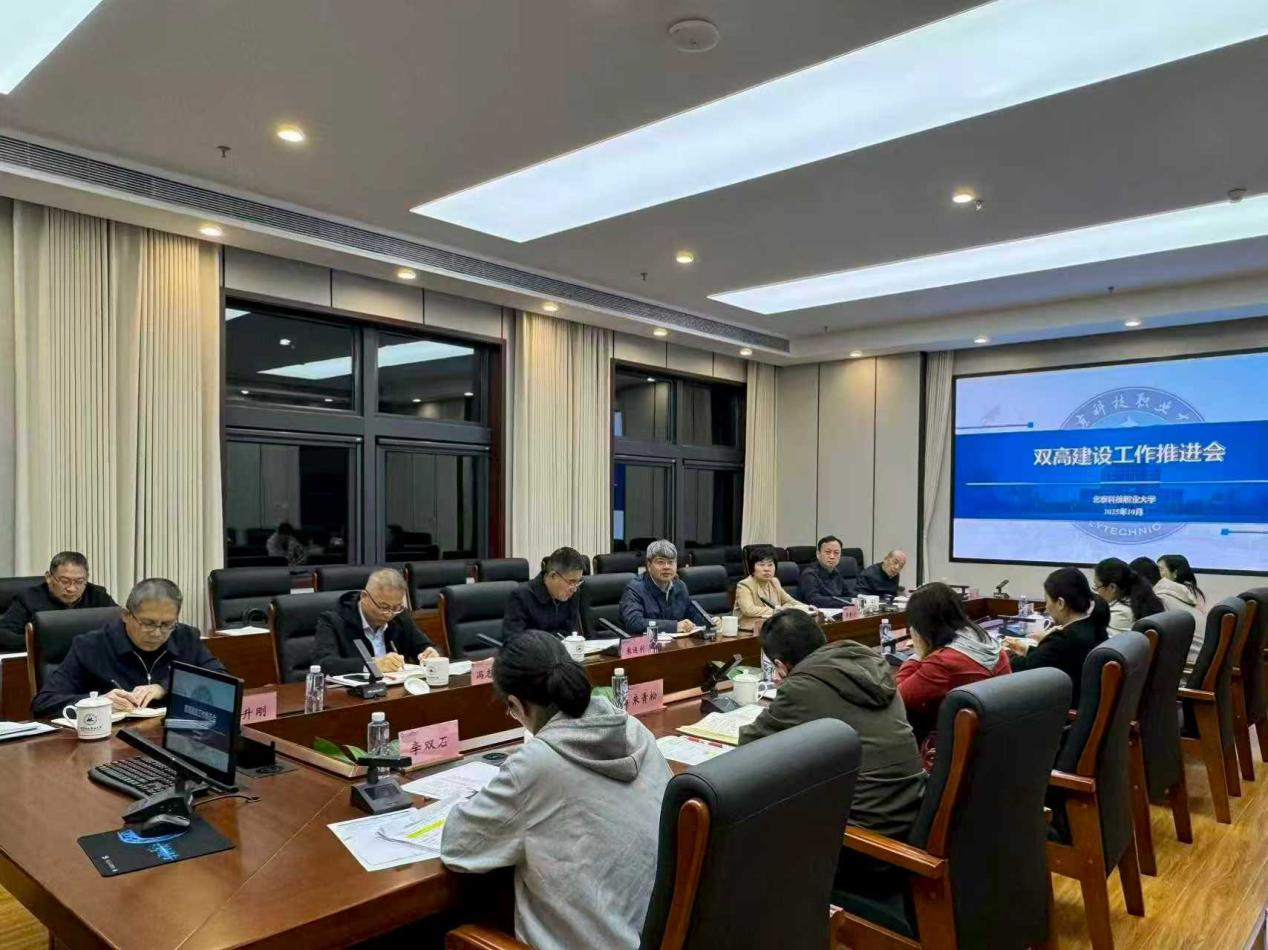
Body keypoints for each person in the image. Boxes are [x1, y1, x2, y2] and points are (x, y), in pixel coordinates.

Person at [442, 631, 671, 950]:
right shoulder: (633, 728)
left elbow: (458, 847)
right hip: (655, 935)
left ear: (515, 704)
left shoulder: (536, 764)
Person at [739, 609, 925, 842]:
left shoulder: (802, 687)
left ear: (780, 665)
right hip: (912, 804)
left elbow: (748, 746)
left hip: (865, 829)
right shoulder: (867, 662)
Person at [31, 578, 225, 717]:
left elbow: (223, 683)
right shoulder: (91, 646)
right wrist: (100, 703)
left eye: (167, 624)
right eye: (148, 623)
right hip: (111, 744)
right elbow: (43, 703)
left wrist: (166, 687)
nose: (157, 633)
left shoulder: (186, 637)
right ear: (126, 615)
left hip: (171, 738)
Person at [896, 582, 1011, 770]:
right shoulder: (989, 643)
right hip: (995, 751)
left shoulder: (944, 663)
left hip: (955, 759)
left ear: (924, 625)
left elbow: (898, 697)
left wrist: (917, 655)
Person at [1004, 567, 1108, 705]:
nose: (1046, 607)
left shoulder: (1064, 639)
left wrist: (1002, 655)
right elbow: (1049, 658)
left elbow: (1022, 669)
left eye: (1047, 601)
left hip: (1061, 709)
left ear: (1060, 603)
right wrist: (1026, 649)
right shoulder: (1094, 626)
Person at [313, 568, 438, 675]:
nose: (389, 614)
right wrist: (373, 665)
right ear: (364, 597)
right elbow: (324, 664)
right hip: (354, 693)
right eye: (383, 607)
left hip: (395, 690)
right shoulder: (333, 620)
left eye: (396, 607)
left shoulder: (399, 615)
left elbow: (425, 646)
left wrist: (431, 654)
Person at [0, 551, 116, 652]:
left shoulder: (97, 595)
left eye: (79, 581)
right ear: (48, 577)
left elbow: (120, 624)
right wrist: (39, 643)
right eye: (64, 581)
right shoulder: (28, 598)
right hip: (44, 661)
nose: (72, 589)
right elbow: (4, 634)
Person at [617, 540, 710, 634]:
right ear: (649, 565)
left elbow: (692, 614)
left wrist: (710, 620)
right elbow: (634, 623)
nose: (666, 567)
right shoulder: (635, 589)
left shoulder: (680, 586)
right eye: (660, 562)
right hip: (645, 642)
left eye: (671, 562)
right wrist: (674, 627)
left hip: (675, 642)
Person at [503, 547, 586, 639]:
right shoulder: (521, 597)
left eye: (578, 582)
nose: (574, 589)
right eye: (571, 582)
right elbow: (514, 640)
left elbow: (571, 633)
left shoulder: (572, 594)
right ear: (553, 576)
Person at [734, 544, 810, 631]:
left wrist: (806, 607)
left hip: (772, 627)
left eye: (770, 565)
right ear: (752, 568)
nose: (766, 569)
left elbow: (789, 600)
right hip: (747, 630)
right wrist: (779, 610)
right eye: (761, 565)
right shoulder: (745, 585)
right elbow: (749, 610)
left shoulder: (774, 582)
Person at [1157, 554, 1208, 664]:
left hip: (1189, 661)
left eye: (1160, 569)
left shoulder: (1167, 597)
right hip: (1201, 656)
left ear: (1175, 573)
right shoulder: (1192, 591)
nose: (1156, 574)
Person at [1093, 557, 1164, 635]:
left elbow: (1101, 642)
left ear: (1112, 587)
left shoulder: (1120, 613)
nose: (1096, 592)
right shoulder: (1140, 598)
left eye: (1097, 587)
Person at [799, 535, 860, 607]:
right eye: (828, 552)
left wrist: (861, 599)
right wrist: (849, 601)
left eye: (836, 553)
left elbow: (847, 593)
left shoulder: (836, 572)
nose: (832, 557)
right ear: (818, 554)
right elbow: (814, 600)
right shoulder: (809, 574)